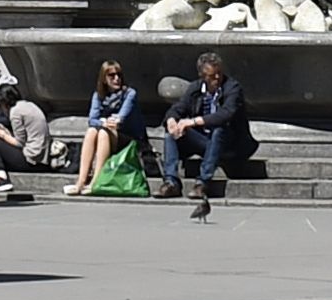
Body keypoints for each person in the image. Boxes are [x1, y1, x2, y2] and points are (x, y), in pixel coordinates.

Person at [158, 51, 251, 218]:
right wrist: (172, 120)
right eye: (211, 76)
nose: (216, 78)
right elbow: (178, 107)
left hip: (229, 143)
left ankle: (202, 182)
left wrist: (192, 121)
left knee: (219, 129)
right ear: (202, 76)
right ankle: (171, 181)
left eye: (219, 74)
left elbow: (225, 114)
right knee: (171, 134)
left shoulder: (232, 88)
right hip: (204, 142)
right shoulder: (195, 88)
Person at [68, 61, 140, 195]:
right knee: (92, 131)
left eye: (118, 75)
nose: (116, 78)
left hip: (128, 137)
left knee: (103, 133)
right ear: (104, 79)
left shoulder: (130, 94)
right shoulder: (98, 95)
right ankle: (81, 181)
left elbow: (121, 117)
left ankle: (95, 181)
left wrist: (108, 122)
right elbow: (92, 119)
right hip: (108, 133)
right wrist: (104, 123)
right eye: (111, 75)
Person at [0, 79, 50, 186]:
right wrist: (5, 132)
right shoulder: (27, 105)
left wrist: (0, 134)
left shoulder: (15, 112)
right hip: (41, 158)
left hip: (31, 159)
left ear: (4, 103)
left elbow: (19, 143)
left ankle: (1, 178)